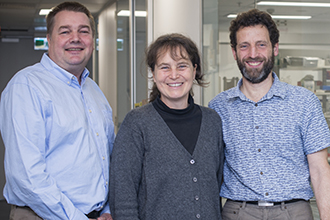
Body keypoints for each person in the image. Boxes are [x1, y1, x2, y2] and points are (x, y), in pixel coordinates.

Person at [209, 8, 330, 220]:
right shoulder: (218, 107)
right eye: (244, 46)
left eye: (261, 44)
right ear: (234, 52)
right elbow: (210, 172)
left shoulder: (304, 102)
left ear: (275, 48)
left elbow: (320, 171)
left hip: (294, 212)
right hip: (238, 212)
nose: (253, 54)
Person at [0, 2, 114, 220]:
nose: (76, 38)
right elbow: (27, 177)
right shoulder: (26, 87)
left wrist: (107, 209)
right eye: (65, 31)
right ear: (49, 39)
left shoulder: (94, 90)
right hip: (43, 215)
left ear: (92, 40)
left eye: (84, 31)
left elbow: (107, 157)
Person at [109, 33, 224, 220]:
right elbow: (123, 195)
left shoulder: (212, 121)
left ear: (194, 71)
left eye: (182, 66)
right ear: (153, 74)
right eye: (164, 67)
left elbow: (215, 187)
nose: (174, 75)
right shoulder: (137, 124)